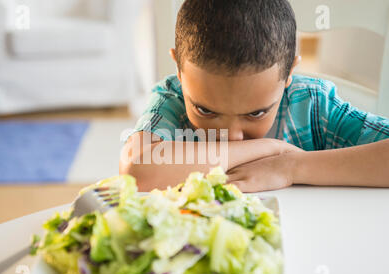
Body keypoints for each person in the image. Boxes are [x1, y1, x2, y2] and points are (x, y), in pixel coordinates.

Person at [120, 0, 389, 192]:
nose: (232, 136)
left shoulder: (311, 106)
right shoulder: (172, 101)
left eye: (256, 113)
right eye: (205, 110)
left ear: (288, 75)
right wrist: (273, 149)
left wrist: (291, 166)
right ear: (178, 69)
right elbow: (137, 171)